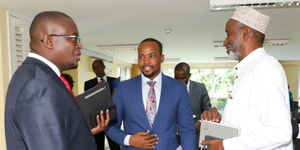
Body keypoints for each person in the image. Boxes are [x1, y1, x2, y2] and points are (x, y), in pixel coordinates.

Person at [5, 11, 109, 150]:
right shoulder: (37, 85)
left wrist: (84, 132)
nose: (80, 46)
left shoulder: (40, 77)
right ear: (49, 41)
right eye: (74, 39)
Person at [201, 7, 292, 150]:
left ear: (246, 33)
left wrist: (224, 145)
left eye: (228, 34)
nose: (225, 42)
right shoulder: (248, 69)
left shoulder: (265, 68)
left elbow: (280, 132)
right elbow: (249, 122)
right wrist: (220, 119)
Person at [106, 38, 196, 149]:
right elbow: (110, 126)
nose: (146, 62)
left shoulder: (178, 89)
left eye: (151, 56)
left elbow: (187, 130)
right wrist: (130, 140)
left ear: (162, 58)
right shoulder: (123, 88)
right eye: (141, 56)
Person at [84, 59, 120, 150]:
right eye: (94, 68)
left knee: (114, 145)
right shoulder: (88, 84)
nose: (96, 70)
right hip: (97, 120)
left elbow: (119, 99)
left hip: (112, 118)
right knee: (98, 145)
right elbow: (88, 102)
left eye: (98, 67)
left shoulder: (114, 81)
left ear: (104, 67)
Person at [174, 62, 211, 148]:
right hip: (174, 138)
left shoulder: (200, 88)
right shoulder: (169, 89)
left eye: (182, 78)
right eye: (176, 78)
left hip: (195, 137)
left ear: (189, 75)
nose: (179, 81)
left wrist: (200, 123)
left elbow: (207, 111)